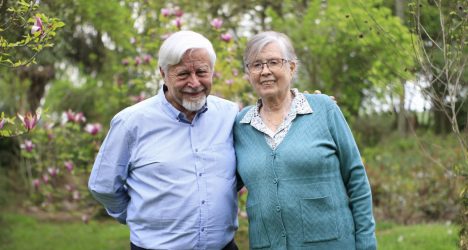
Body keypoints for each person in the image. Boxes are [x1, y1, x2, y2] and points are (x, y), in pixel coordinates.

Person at [88, 30, 239, 250]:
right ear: (163, 73)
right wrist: (135, 216)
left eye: (201, 72)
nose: (194, 82)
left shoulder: (229, 115)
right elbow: (103, 185)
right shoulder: (131, 122)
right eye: (183, 74)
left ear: (212, 71)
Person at [233, 31, 376, 249]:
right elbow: (221, 181)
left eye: (273, 62)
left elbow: (356, 179)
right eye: (256, 65)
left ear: (292, 67)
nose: (265, 71)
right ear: (248, 73)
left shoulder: (323, 109)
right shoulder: (241, 125)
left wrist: (366, 243)